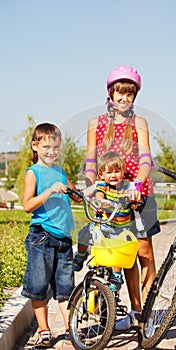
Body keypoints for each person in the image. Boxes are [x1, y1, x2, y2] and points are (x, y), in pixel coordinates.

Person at [83, 65, 161, 330]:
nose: (125, 98)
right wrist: (93, 188)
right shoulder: (97, 123)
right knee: (122, 254)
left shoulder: (139, 123)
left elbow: (145, 158)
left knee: (144, 252)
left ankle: (146, 312)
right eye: (120, 93)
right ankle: (131, 310)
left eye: (130, 94)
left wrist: (138, 183)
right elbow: (91, 160)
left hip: (140, 195)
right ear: (111, 94)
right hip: (111, 197)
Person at [21, 123, 80, 347]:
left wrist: (96, 194)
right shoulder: (33, 172)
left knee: (65, 289)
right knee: (37, 286)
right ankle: (44, 330)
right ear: (35, 146)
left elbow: (76, 195)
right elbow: (27, 205)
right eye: (46, 147)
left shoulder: (60, 172)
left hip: (64, 238)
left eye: (55, 147)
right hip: (42, 237)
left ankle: (70, 329)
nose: (51, 152)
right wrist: (49, 191)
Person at [74, 151, 145, 291]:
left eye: (117, 171)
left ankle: (117, 276)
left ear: (123, 172)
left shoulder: (127, 187)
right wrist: (101, 201)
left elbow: (136, 198)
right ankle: (81, 255)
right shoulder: (103, 186)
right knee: (83, 234)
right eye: (109, 172)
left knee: (117, 249)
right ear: (101, 174)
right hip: (103, 225)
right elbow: (99, 194)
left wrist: (135, 199)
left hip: (121, 228)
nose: (113, 175)